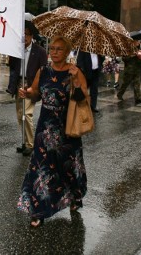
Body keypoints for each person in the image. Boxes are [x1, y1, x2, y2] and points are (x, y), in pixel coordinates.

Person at [17, 36, 88, 228]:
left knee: (68, 167)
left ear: (67, 53)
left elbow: (83, 98)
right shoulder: (44, 71)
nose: (54, 52)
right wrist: (27, 92)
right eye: (52, 49)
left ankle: (74, 196)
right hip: (45, 129)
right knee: (41, 168)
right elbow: (36, 92)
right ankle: (38, 210)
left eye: (59, 49)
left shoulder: (75, 72)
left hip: (67, 128)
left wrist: (76, 79)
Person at [7, 21, 48, 156]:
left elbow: (43, 70)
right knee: (20, 115)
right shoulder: (16, 49)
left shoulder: (40, 51)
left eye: (27, 34)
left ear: (32, 36)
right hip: (19, 83)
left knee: (26, 114)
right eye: (22, 34)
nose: (24, 37)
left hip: (32, 85)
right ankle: (25, 142)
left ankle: (31, 144)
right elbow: (12, 66)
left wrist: (36, 87)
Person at [116, 39, 141, 105]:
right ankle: (119, 94)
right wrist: (133, 55)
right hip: (129, 70)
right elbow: (124, 59)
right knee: (125, 83)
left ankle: (138, 98)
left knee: (137, 84)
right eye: (137, 41)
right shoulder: (127, 49)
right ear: (133, 42)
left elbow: (139, 59)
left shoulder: (137, 49)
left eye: (139, 41)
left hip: (137, 69)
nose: (138, 42)